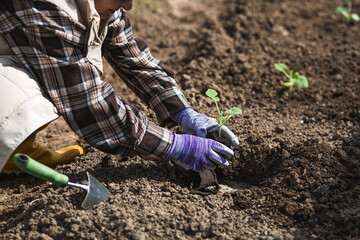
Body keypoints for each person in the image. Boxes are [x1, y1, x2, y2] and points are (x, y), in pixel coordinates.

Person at [0, 0, 239, 174]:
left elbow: (134, 59)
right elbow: (86, 100)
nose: (128, 4)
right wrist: (175, 145)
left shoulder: (105, 3)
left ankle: (17, 147)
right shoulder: (41, 5)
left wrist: (182, 111)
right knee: (46, 82)